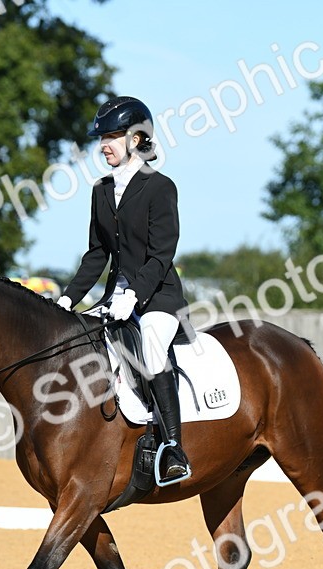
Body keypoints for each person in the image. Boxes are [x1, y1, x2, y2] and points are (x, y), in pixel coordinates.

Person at [57, 96, 191, 485]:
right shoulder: (100, 190)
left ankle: (174, 449)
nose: (104, 146)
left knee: (150, 347)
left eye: (112, 136)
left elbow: (162, 253)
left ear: (136, 139)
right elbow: (97, 254)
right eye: (102, 138)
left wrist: (133, 295)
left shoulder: (160, 187)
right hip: (113, 299)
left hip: (158, 297)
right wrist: (68, 300)